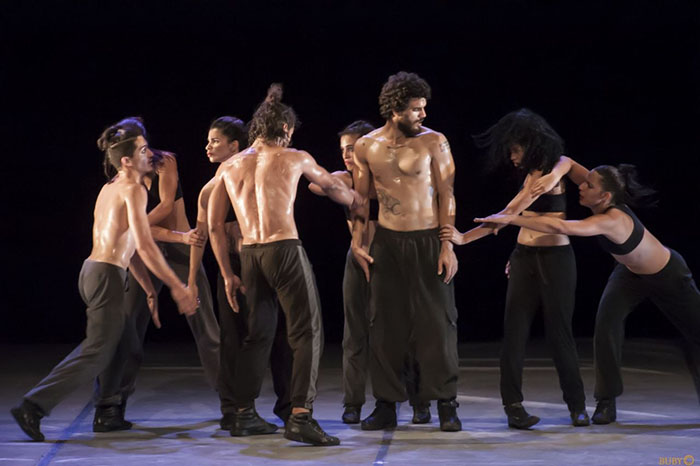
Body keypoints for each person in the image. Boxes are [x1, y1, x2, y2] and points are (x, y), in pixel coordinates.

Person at [10, 119, 197, 442]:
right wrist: (177, 286)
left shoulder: (110, 187)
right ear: (126, 161)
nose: (149, 154)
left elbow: (126, 245)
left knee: (120, 344)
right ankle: (34, 406)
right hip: (106, 275)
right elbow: (144, 244)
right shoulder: (134, 189)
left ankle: (104, 412)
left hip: (94, 271)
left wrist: (149, 289)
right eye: (142, 151)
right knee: (97, 351)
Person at [473, 159, 700, 424]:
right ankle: (606, 402)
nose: (581, 186)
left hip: (668, 275)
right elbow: (566, 162)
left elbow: (561, 227)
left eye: (589, 185)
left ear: (604, 196)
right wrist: (554, 175)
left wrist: (511, 218)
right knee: (606, 325)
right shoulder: (602, 189)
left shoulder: (612, 219)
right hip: (629, 274)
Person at [208, 84, 362, 446]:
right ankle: (300, 416)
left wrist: (227, 274)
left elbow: (213, 225)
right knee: (307, 332)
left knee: (257, 335)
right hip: (284, 250)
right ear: (286, 129)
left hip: (250, 254)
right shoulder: (295, 157)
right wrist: (357, 196)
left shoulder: (230, 166)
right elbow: (334, 188)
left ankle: (242, 414)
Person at [439, 109, 589, 429]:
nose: (511, 156)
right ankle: (513, 407)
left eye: (515, 149)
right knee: (514, 335)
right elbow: (508, 214)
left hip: (556, 260)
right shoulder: (531, 177)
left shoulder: (554, 170)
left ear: (532, 144)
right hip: (523, 258)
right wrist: (463, 238)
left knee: (559, 334)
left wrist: (561, 167)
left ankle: (577, 406)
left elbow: (589, 177)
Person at [92, 118, 220, 431]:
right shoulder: (121, 180)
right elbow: (138, 235)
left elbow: (164, 206)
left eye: (144, 144)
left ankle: (235, 405)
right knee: (127, 329)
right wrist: (136, 232)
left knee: (206, 326)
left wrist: (135, 227)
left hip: (179, 247)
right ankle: (109, 406)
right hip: (143, 252)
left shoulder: (165, 163)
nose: (145, 151)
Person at [351, 71, 461, 432]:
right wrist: (357, 242)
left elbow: (447, 194)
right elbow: (361, 201)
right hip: (387, 241)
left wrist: (447, 245)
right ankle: (386, 404)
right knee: (384, 326)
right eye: (416, 109)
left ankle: (446, 404)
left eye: (423, 108)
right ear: (395, 109)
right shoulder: (366, 146)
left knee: (437, 325)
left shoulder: (434, 142)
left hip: (427, 239)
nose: (423, 114)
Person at [308, 120, 431, 424]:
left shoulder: (388, 179)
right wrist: (345, 191)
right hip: (357, 257)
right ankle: (352, 403)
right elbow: (316, 185)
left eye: (352, 148)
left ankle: (419, 402)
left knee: (403, 334)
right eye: (343, 150)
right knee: (354, 335)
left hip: (390, 260)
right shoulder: (345, 178)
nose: (346, 155)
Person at [190, 116, 293, 433]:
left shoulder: (255, 178)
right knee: (233, 339)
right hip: (232, 267)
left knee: (278, 335)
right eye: (208, 140)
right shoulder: (210, 188)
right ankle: (233, 410)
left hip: (260, 261)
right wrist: (193, 280)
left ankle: (287, 406)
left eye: (215, 141)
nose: (208, 146)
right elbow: (202, 235)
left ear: (235, 146)